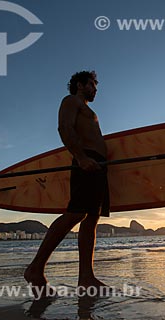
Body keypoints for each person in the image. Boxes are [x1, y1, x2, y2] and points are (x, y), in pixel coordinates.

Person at [24, 71, 109, 290]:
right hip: (86, 161)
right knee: (76, 213)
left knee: (92, 218)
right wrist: (81, 157)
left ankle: (86, 277)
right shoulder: (71, 101)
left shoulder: (88, 109)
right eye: (91, 84)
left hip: (98, 163)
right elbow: (64, 127)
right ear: (80, 85)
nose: (95, 89)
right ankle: (35, 268)